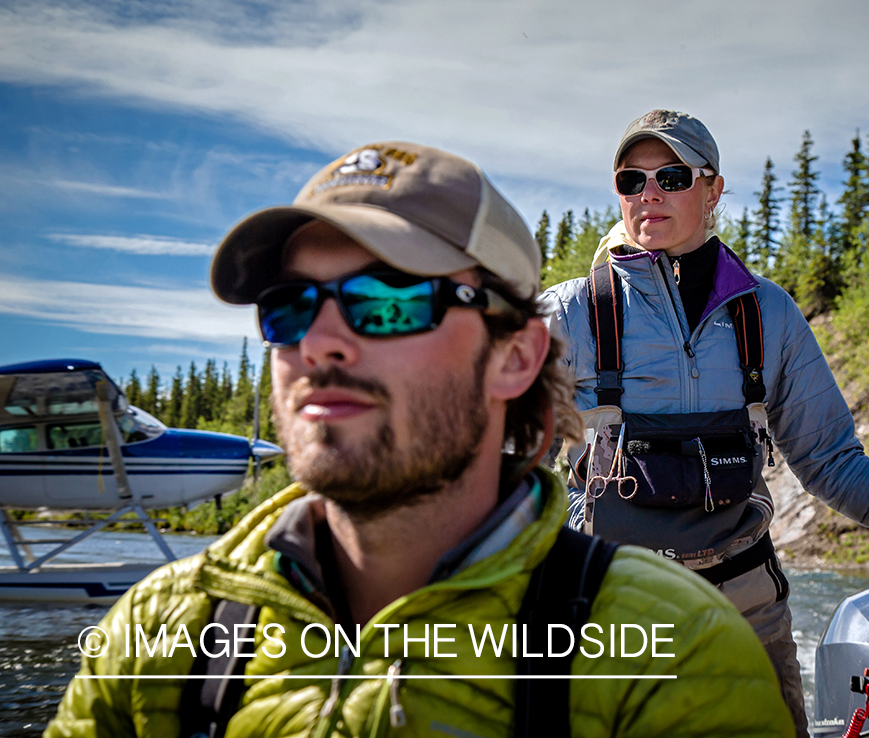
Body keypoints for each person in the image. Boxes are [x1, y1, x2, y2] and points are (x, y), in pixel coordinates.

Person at [45, 141, 795, 738]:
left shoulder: (671, 652)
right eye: (289, 307)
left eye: (389, 301)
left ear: (514, 357)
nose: (322, 342)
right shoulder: (155, 636)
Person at [541, 110, 869, 737]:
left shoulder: (770, 315)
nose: (648, 193)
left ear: (712, 190)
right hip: (611, 615)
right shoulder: (569, 314)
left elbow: (833, 465)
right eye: (632, 180)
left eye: (672, 176)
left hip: (748, 610)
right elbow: (493, 464)